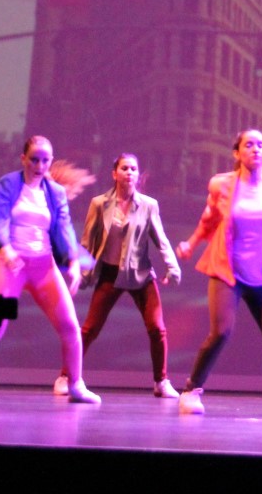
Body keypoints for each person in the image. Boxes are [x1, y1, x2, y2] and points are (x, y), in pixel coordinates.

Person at [175, 129, 262, 416]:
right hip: (228, 272)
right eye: (249, 145)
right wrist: (190, 244)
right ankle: (191, 391)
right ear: (237, 153)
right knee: (221, 332)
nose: (255, 149)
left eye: (260, 145)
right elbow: (209, 221)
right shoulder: (221, 185)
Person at [0, 136, 100, 403]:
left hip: (43, 265)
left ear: (50, 161)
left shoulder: (55, 192)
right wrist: (6, 249)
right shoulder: (8, 183)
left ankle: (76, 385)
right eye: (34, 160)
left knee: (70, 326)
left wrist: (73, 262)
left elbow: (63, 226)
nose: (39, 166)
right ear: (23, 159)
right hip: (9, 263)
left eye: (45, 160)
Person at [70, 153, 183, 398]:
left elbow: (161, 240)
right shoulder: (99, 204)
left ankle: (161, 382)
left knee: (157, 328)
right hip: (110, 274)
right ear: (115, 173)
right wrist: (81, 272)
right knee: (89, 329)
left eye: (133, 169)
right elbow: (87, 241)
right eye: (124, 168)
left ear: (138, 174)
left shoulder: (148, 205)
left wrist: (172, 267)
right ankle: (67, 377)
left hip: (140, 274)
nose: (129, 172)